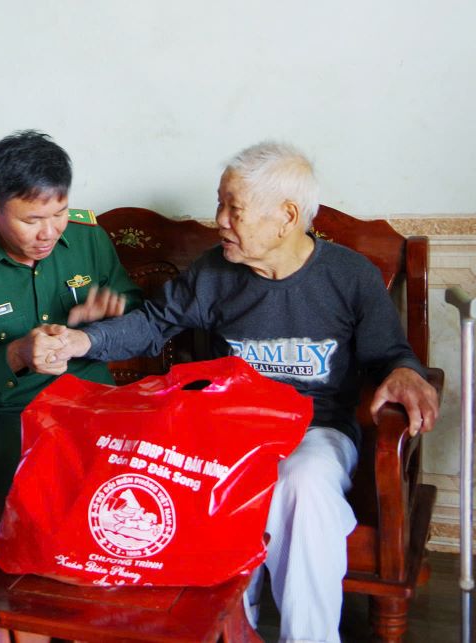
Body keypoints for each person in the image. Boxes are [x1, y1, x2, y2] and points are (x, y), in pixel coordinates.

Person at [42, 141, 440, 643]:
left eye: (234, 209)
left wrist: (405, 370)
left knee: (302, 481)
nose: (219, 220)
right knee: (218, 478)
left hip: (316, 429)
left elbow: (391, 354)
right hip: (230, 432)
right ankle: (237, 631)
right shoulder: (216, 271)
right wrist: (83, 340)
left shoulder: (349, 277)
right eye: (220, 204)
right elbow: (153, 324)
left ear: (286, 217)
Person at [0, 130, 143, 494]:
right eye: (32, 220)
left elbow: (137, 319)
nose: (49, 233)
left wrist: (107, 318)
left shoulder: (90, 238)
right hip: (2, 410)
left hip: (90, 394)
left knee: (141, 471)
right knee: (12, 483)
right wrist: (16, 354)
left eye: (60, 213)